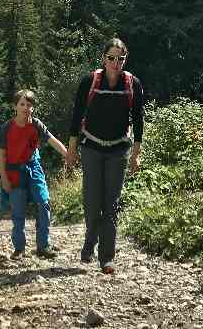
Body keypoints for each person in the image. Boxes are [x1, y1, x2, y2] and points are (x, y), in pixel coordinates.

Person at [67, 37, 145, 275]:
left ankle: (107, 258)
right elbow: (76, 116)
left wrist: (136, 155)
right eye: (111, 58)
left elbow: (139, 121)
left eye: (120, 59)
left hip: (118, 150)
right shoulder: (90, 81)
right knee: (92, 203)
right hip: (91, 147)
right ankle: (90, 242)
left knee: (111, 205)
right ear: (104, 58)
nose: (115, 63)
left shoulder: (133, 84)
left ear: (125, 60)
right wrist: (71, 151)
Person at [0, 89, 70, 259]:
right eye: (22, 104)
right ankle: (19, 248)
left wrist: (67, 154)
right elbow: (1, 156)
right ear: (15, 106)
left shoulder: (36, 124)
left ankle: (43, 246)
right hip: (13, 172)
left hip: (33, 168)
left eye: (29, 105)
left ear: (33, 108)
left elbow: (52, 141)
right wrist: (4, 179)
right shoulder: (7, 128)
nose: (25, 108)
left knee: (44, 202)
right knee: (18, 211)